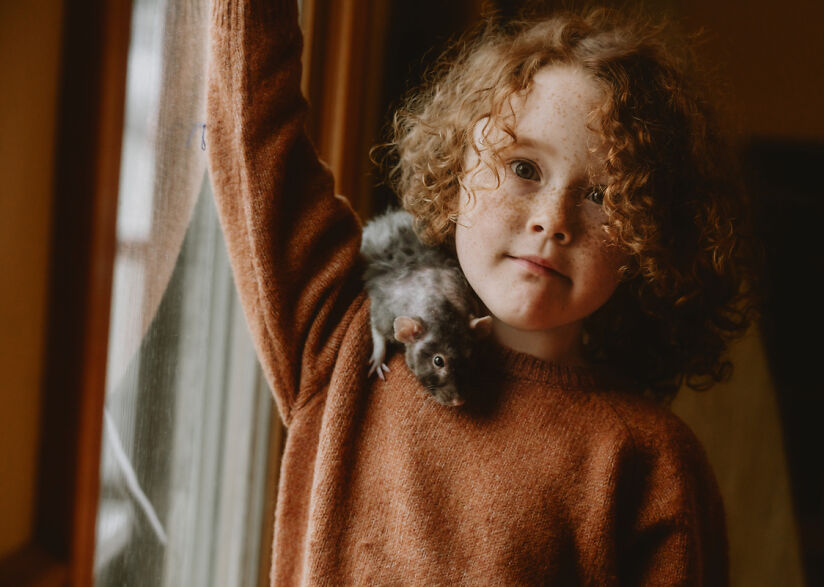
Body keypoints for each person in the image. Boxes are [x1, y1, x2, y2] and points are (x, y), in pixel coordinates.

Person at [207, 1, 756, 584]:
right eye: (523, 168)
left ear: (651, 240)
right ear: (454, 176)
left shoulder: (650, 463)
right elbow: (254, 130)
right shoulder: (343, 340)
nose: (553, 219)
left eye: (603, 195)